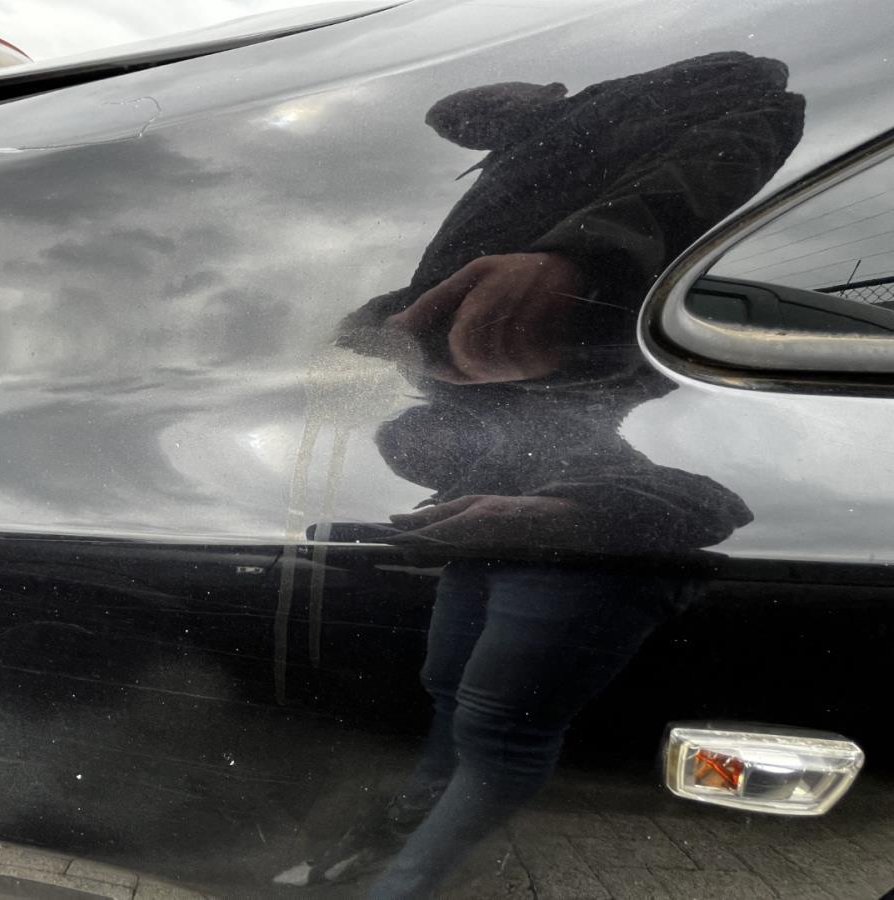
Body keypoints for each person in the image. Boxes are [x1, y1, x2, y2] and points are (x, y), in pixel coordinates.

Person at [275, 51, 805, 896]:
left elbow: (758, 103)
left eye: (482, 101)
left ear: (548, 87)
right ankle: (399, 835)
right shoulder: (514, 176)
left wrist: (585, 260)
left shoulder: (638, 103)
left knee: (499, 728)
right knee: (450, 692)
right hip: (505, 477)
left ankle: (401, 885)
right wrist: (377, 324)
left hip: (566, 484)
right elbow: (443, 299)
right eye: (460, 125)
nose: (469, 118)